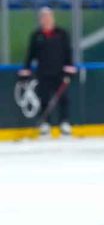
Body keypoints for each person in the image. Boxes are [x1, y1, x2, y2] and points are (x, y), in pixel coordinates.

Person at [18, 7, 76, 136]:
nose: (46, 19)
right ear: (40, 19)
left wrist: (70, 67)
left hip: (60, 71)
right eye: (43, 17)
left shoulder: (62, 33)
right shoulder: (36, 36)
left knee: (63, 98)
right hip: (43, 72)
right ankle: (45, 123)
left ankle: (64, 122)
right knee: (43, 97)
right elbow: (30, 54)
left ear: (52, 17)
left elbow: (68, 51)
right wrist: (26, 69)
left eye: (48, 17)